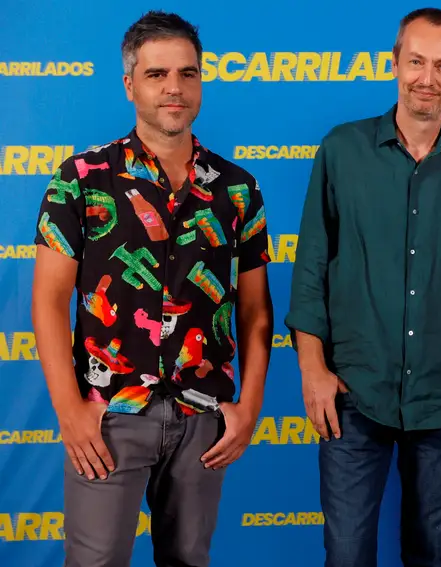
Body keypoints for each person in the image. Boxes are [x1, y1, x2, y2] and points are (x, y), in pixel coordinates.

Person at [30, 11, 274, 567]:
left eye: (188, 74)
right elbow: (48, 301)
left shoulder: (238, 190)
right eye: (158, 74)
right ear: (129, 84)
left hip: (202, 418)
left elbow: (256, 312)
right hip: (109, 414)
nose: (174, 88)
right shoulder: (82, 180)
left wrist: (249, 403)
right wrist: (70, 408)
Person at [284, 7, 441, 567]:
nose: (426, 78)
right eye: (416, 61)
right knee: (345, 554)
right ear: (394, 64)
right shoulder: (341, 150)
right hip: (352, 392)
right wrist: (312, 370)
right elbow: (311, 263)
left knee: (430, 554)